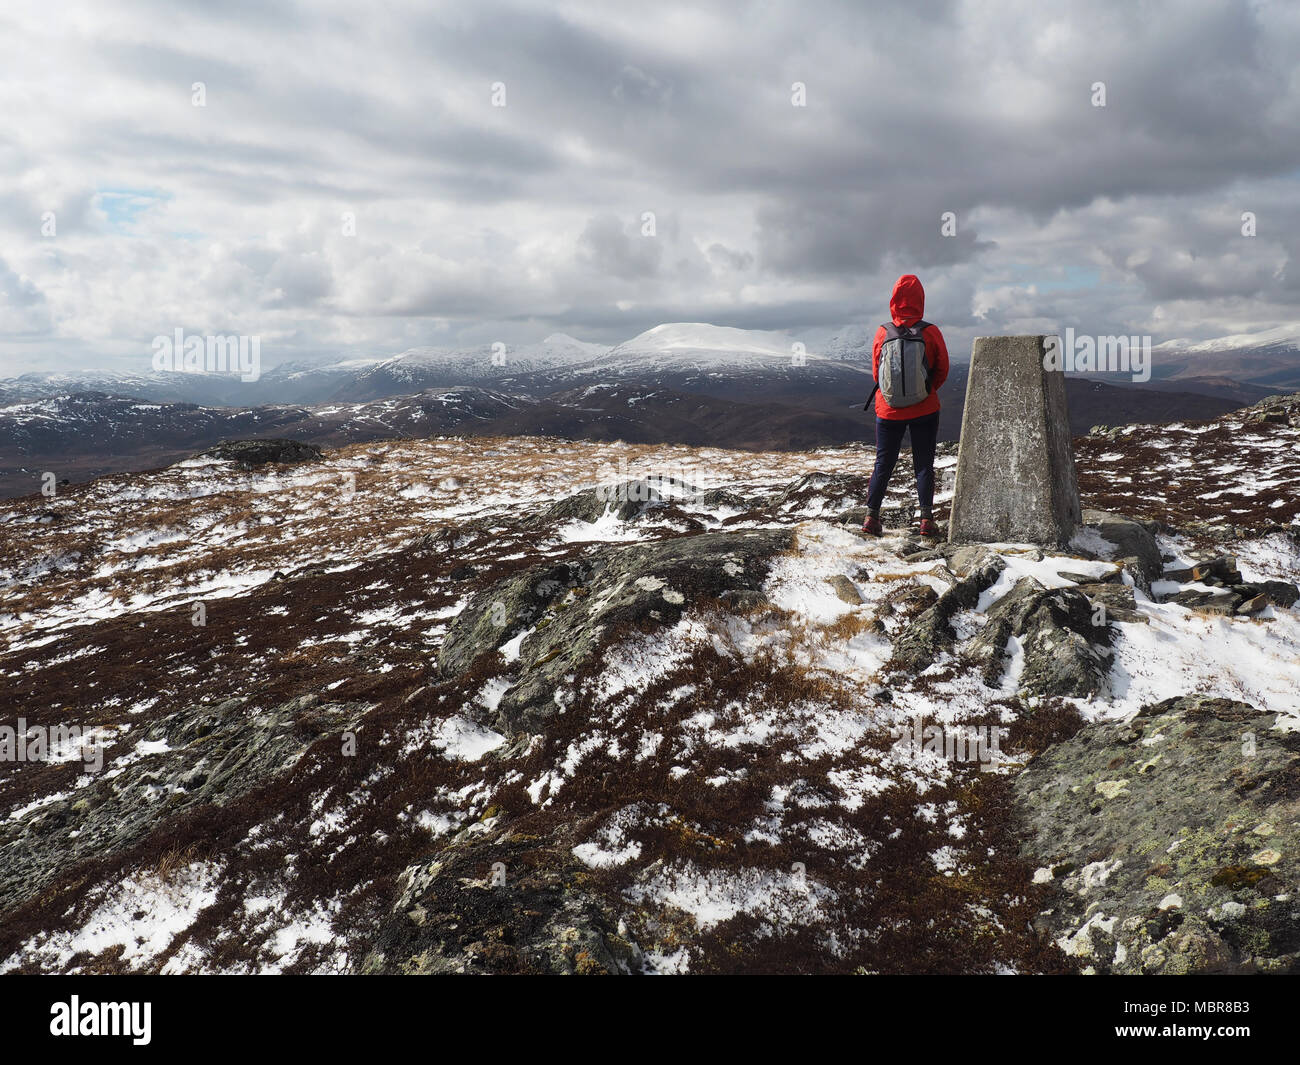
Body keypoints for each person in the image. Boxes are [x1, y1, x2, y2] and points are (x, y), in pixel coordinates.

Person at [862, 274, 950, 537]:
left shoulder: (883, 331)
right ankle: (926, 521)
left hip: (888, 411)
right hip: (925, 409)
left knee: (883, 463)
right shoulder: (930, 331)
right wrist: (926, 391)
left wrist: (892, 396)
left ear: (894, 299)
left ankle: (871, 518)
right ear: (920, 299)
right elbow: (942, 369)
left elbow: (878, 373)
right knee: (923, 464)